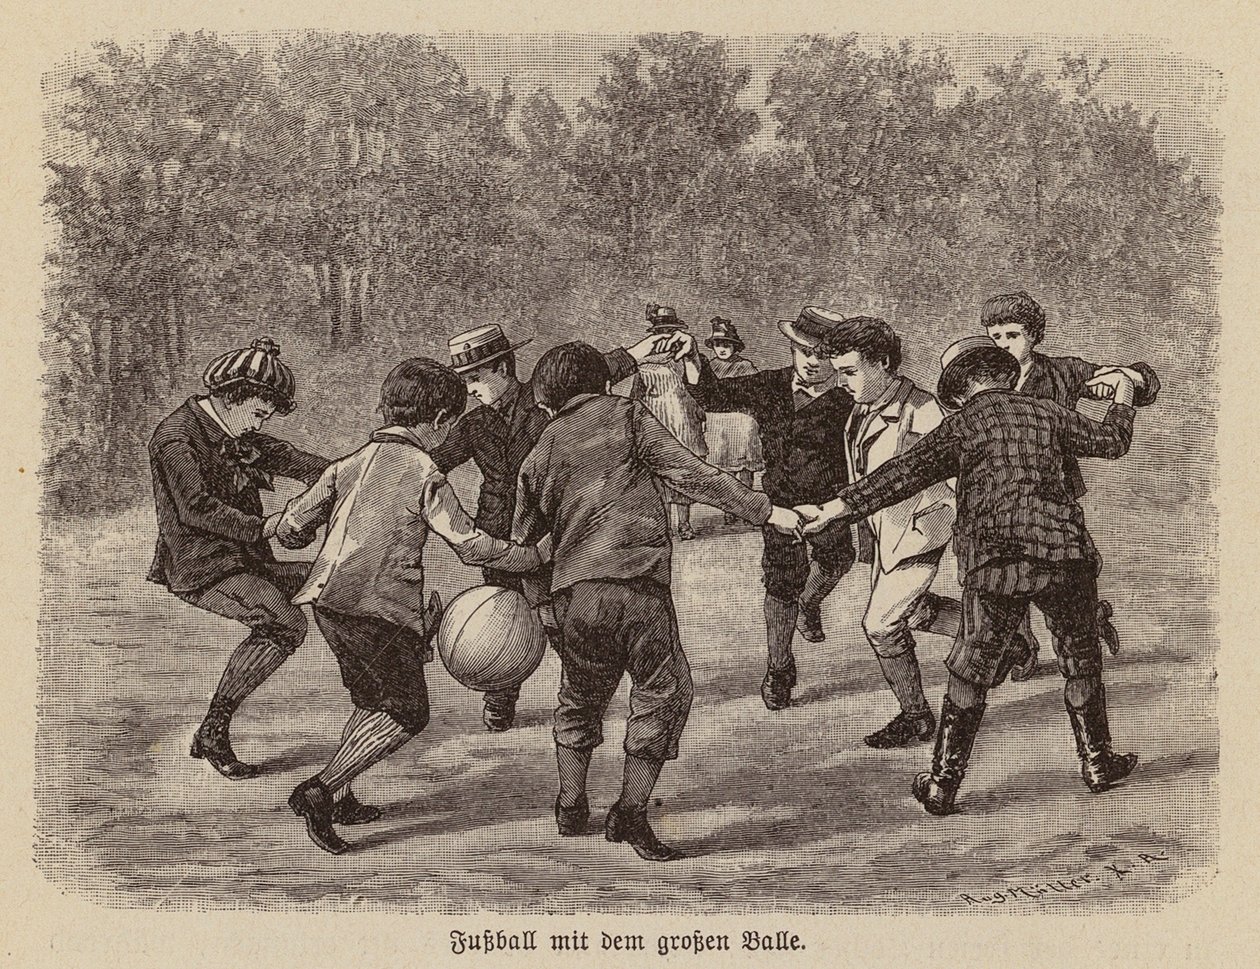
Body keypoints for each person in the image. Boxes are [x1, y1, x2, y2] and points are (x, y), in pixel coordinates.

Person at [798, 338, 1140, 816]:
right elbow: (1112, 442)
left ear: (960, 393)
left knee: (970, 671)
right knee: (1080, 660)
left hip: (995, 563)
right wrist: (1124, 394)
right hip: (1065, 557)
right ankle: (1099, 762)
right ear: (1008, 377)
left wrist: (836, 508)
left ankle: (942, 784)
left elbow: (902, 474)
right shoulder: (1049, 413)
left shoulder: (962, 423)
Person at [512, 342, 802, 861]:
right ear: (602, 383)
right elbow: (691, 473)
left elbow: (525, 547)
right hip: (637, 589)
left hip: (574, 597)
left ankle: (571, 802)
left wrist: (540, 606)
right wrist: (765, 510)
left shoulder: (538, 452)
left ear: (549, 399)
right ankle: (630, 812)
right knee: (664, 694)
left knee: (579, 696)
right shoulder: (627, 416)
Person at [276, 358, 549, 854]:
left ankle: (342, 795)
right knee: (407, 712)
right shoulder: (424, 471)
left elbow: (294, 522)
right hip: (379, 609)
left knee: (369, 700)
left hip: (328, 604)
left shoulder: (352, 460)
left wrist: (295, 533)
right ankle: (319, 790)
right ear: (443, 419)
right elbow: (468, 543)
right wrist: (531, 555)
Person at [432, 322, 690, 732]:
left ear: (502, 368)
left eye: (475, 378)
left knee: (562, 620)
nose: (470, 390)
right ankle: (501, 694)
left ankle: (583, 697)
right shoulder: (472, 424)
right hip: (500, 538)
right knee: (501, 616)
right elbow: (432, 465)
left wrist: (640, 351)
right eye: (465, 381)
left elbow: (593, 370)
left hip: (555, 532)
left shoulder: (546, 402)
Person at [147, 337, 330, 780]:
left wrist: (355, 475)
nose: (260, 424)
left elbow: (302, 462)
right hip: (203, 566)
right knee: (285, 623)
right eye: (259, 413)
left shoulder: (236, 431)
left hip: (248, 560)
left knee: (334, 577)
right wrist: (270, 526)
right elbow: (197, 508)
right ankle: (213, 730)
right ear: (233, 397)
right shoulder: (176, 438)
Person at [682, 306, 856, 710]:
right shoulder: (771, 385)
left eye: (825, 354)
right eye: (804, 351)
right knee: (780, 585)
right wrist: (693, 358)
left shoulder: (852, 397)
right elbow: (713, 395)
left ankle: (811, 604)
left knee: (836, 562)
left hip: (833, 505)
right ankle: (779, 667)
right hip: (779, 506)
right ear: (793, 348)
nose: (813, 362)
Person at [982, 291, 1162, 678]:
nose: (1002, 346)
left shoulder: (1062, 372)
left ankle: (1089, 620)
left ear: (1033, 336)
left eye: (1011, 336)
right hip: (1001, 495)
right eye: (994, 337)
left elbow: (1139, 381)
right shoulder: (981, 379)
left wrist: (1128, 378)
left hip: (1054, 492)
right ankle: (1023, 649)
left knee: (1074, 565)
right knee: (1010, 573)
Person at [821, 317, 961, 748]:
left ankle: (916, 717)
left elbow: (957, 479)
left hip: (919, 533)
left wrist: (928, 531)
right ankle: (1004, 637)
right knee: (913, 612)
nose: (841, 381)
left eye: (849, 371)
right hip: (888, 533)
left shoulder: (924, 411)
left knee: (880, 624)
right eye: (838, 371)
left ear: (882, 363)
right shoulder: (865, 407)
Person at [630, 304, 709, 541]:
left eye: (670, 330)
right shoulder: (643, 364)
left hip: (683, 418)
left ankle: (684, 524)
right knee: (658, 474)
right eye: (661, 331)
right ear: (654, 334)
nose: (666, 336)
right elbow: (636, 396)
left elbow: (699, 386)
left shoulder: (685, 359)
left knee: (683, 471)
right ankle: (664, 525)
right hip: (657, 419)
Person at [702, 317, 765, 526]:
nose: (722, 349)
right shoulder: (709, 368)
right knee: (724, 469)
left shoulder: (745, 366)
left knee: (745, 468)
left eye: (726, 344)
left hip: (742, 421)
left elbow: (757, 393)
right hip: (717, 423)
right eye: (718, 344)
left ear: (734, 346)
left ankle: (748, 508)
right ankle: (730, 508)